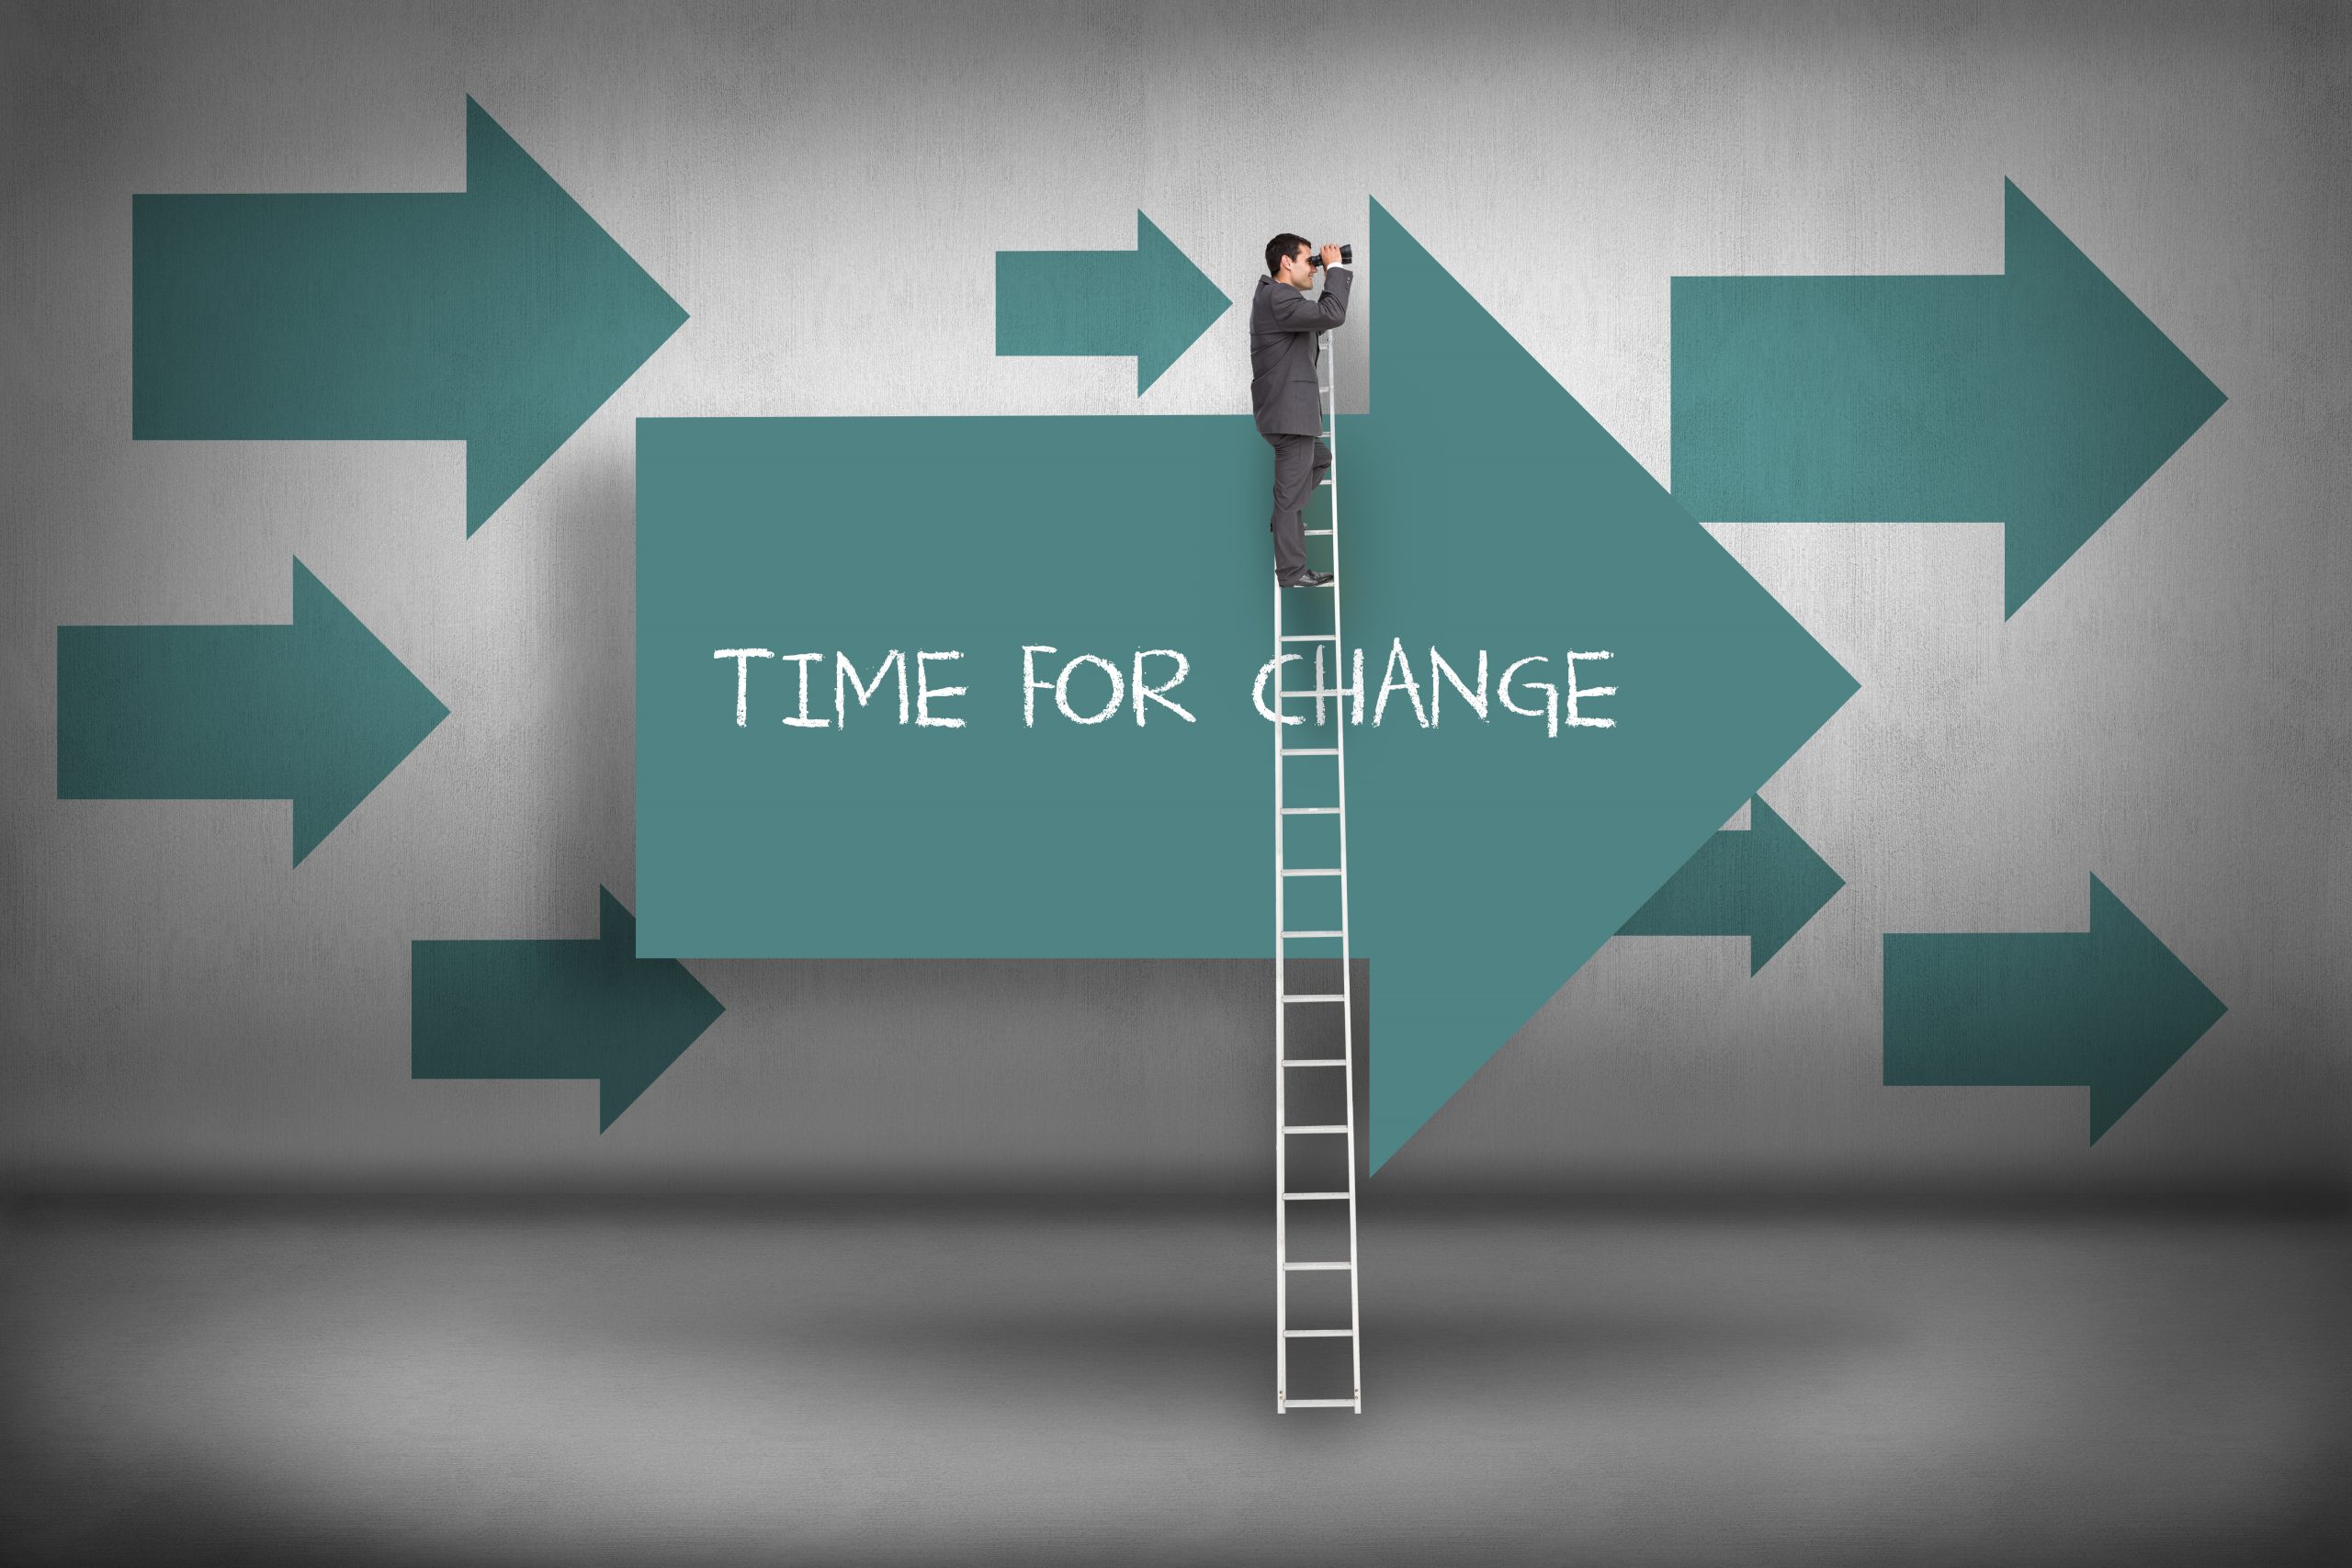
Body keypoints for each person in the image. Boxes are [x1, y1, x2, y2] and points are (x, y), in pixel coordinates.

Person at [1250, 235, 1351, 587]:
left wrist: (1326, 276)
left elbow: (1320, 319)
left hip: (1286, 412)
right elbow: (1333, 314)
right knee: (1290, 495)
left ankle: (1285, 519)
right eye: (1309, 260)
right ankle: (1291, 571)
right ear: (1286, 263)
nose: (1313, 267)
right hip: (1289, 414)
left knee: (1320, 460)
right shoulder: (1278, 296)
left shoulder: (1278, 300)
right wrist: (1334, 267)